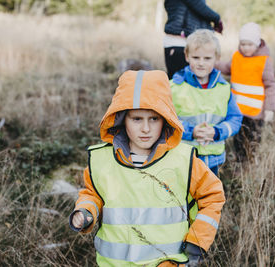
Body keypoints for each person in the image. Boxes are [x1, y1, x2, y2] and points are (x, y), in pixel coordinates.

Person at [69, 70, 226, 267]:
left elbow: (213, 196)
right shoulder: (102, 160)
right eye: (137, 119)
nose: (146, 128)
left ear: (166, 119)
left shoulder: (184, 159)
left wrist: (197, 239)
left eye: (154, 119)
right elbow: (93, 195)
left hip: (167, 262)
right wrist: (85, 212)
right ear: (121, 119)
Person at [170, 29, 243, 175]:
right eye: (196, 57)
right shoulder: (174, 87)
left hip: (213, 160)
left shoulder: (224, 89)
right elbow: (167, 119)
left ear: (217, 58)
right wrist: (191, 132)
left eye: (207, 58)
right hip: (182, 158)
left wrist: (216, 132)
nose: (201, 63)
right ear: (187, 56)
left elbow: (235, 118)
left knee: (208, 197)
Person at [215, 22, 275, 163]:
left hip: (256, 112)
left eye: (249, 44)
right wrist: (213, 63)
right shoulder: (237, 57)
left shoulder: (263, 61)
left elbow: (270, 85)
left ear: (257, 44)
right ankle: (239, 161)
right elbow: (226, 67)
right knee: (238, 138)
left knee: (253, 138)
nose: (246, 48)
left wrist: (270, 109)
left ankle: (250, 162)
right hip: (237, 109)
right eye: (243, 44)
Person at [163, 0, 223, 79]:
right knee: (178, 82)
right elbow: (199, 6)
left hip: (187, 42)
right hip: (179, 42)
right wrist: (217, 19)